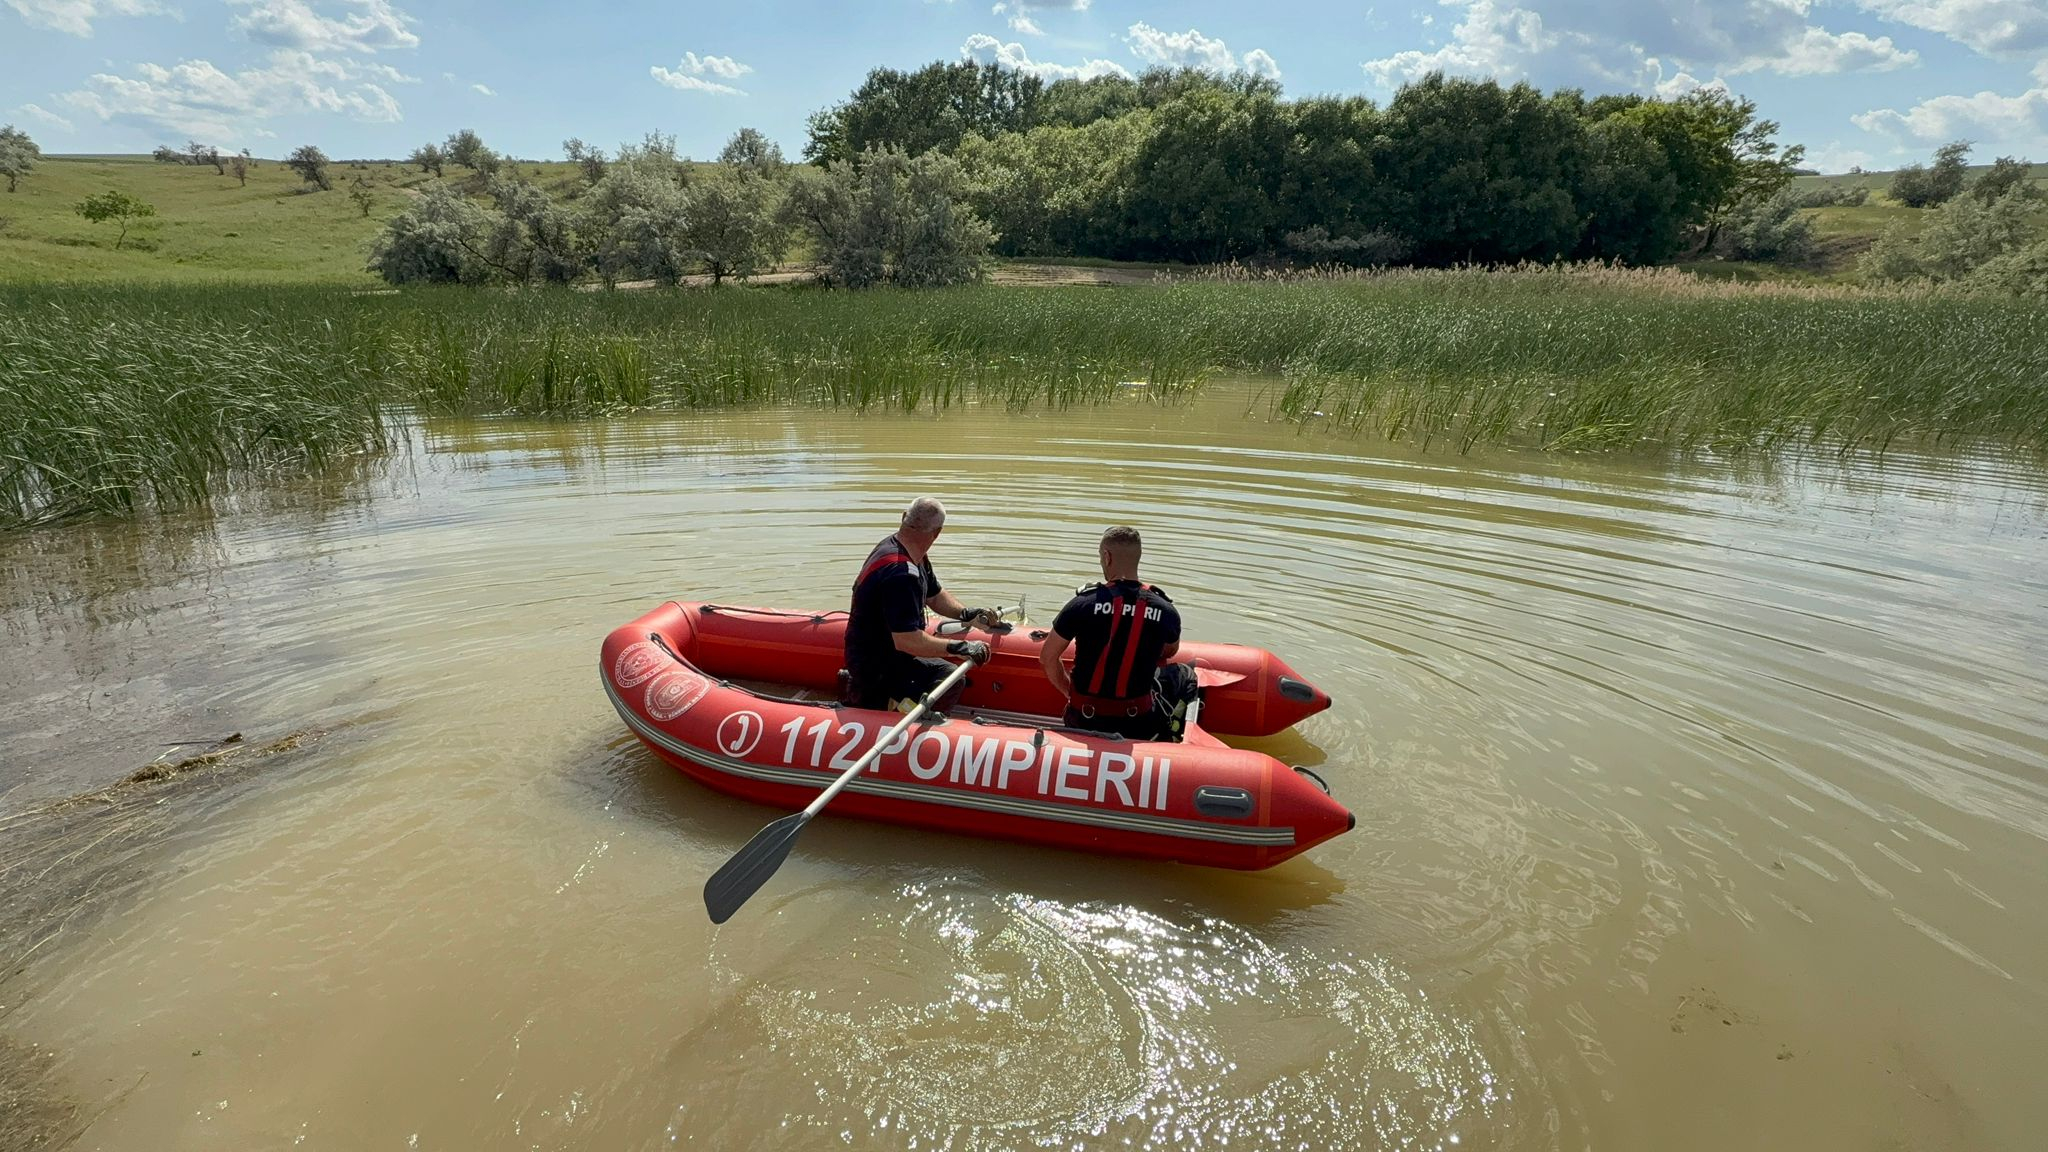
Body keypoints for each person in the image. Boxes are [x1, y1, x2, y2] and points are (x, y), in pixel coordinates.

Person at [1039, 526, 1198, 741]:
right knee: (1185, 673)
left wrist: (1070, 692)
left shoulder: (1082, 604)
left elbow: (1047, 657)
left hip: (1083, 718)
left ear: (1106, 556)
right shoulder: (1166, 610)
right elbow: (1169, 651)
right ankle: (1175, 728)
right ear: (1138, 557)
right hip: (1138, 723)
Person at [845, 497, 1001, 712]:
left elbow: (935, 596)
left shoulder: (906, 551)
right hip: (877, 663)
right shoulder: (900, 573)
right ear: (937, 533)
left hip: (885, 653)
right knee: (951, 679)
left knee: (944, 671)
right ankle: (909, 722)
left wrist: (966, 613)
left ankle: (892, 702)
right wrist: (960, 647)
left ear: (903, 518)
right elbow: (907, 641)